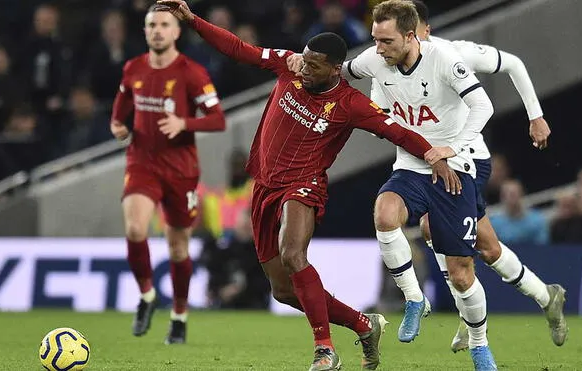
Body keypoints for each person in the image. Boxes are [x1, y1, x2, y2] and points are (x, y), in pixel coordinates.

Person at [155, 2, 460, 370]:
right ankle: (363, 324)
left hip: (304, 185)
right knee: (283, 291)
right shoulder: (290, 65)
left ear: (335, 68)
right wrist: (193, 21)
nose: (305, 69)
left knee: (293, 254)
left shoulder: (349, 103)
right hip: (264, 187)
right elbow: (238, 49)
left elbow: (396, 130)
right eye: (304, 60)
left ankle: (324, 350)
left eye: (314, 66)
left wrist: (433, 156)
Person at [285, 1, 500, 368]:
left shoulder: (445, 60)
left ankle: (480, 344)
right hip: (411, 165)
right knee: (385, 216)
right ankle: (415, 299)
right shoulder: (373, 59)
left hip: (455, 167)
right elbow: (338, 70)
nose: (378, 49)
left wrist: (452, 147)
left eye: (386, 41)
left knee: (462, 272)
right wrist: (299, 63)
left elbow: (483, 106)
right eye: (374, 39)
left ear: (410, 37)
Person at [408, 0, 566, 352]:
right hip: (432, 163)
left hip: (467, 161)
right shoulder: (390, 65)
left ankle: (470, 318)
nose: (403, 42)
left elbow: (513, 63)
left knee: (432, 228)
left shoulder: (453, 54)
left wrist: (535, 115)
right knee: (489, 248)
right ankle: (546, 296)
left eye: (410, 32)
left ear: (425, 31)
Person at [110, 5, 226, 345]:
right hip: (142, 162)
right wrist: (117, 126)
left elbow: (218, 119)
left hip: (180, 169)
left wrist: (184, 123)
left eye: (164, 24)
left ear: (176, 32)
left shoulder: (192, 73)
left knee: (178, 249)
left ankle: (179, 314)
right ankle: (147, 295)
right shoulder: (133, 68)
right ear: (145, 31)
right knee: (134, 227)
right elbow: (119, 113)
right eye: (152, 25)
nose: (157, 30)